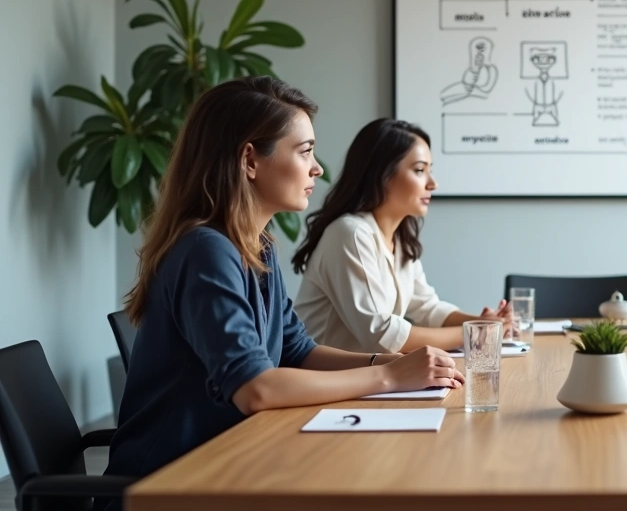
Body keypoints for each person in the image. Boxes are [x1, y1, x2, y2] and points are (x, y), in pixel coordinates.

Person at [103, 78, 463, 496]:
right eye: (305, 151)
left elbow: (299, 352)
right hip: (172, 486)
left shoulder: (258, 246)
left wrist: (389, 364)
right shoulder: (204, 251)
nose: (318, 168)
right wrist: (388, 376)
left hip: (234, 462)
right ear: (250, 161)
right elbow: (255, 388)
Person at [292, 119, 510, 354]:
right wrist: (474, 331)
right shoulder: (351, 233)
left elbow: (427, 308)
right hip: (326, 382)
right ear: (382, 174)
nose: (433, 183)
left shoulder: (400, 240)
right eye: (419, 170)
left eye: (430, 170)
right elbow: (381, 334)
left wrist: (484, 322)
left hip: (369, 380)